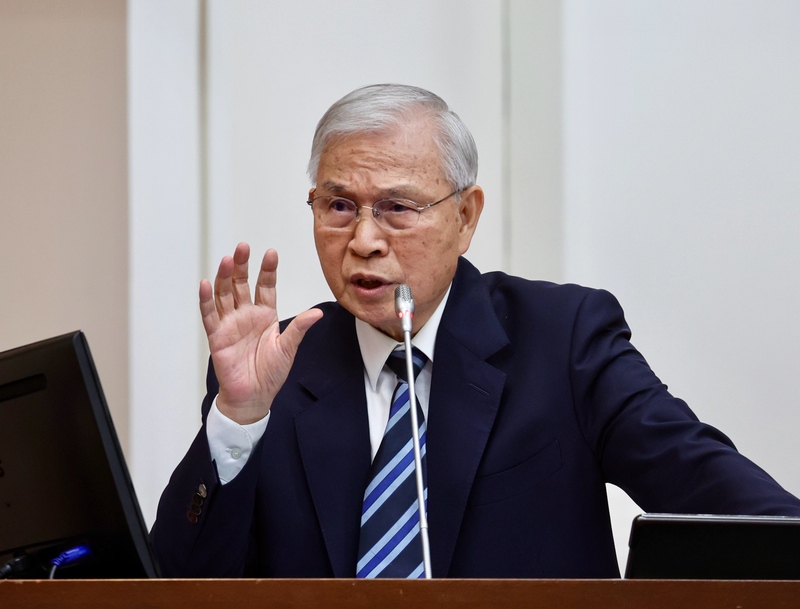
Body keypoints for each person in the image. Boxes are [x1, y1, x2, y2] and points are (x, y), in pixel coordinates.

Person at [152, 84, 800, 579]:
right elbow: (177, 584)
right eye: (339, 205)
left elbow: (730, 504)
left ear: (465, 216)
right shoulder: (278, 369)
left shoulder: (564, 341)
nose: (364, 240)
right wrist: (238, 418)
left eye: (397, 208)